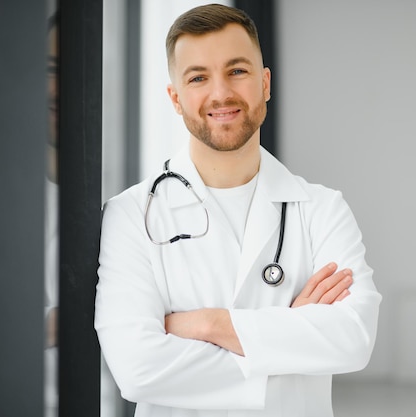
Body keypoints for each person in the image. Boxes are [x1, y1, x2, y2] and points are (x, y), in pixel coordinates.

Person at [94, 4, 381, 416]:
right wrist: (288, 338)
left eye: (237, 71)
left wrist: (208, 325)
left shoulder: (322, 209)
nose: (220, 93)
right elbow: (138, 370)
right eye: (198, 77)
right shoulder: (130, 216)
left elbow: (352, 338)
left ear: (265, 83)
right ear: (175, 98)